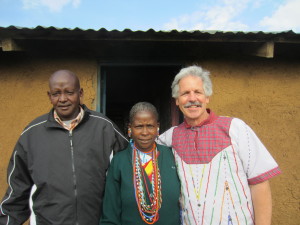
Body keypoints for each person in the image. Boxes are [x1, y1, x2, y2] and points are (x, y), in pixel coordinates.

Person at [0, 70, 128, 225]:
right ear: (49, 96)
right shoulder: (31, 135)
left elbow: (130, 174)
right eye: (56, 93)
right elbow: (17, 191)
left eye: (69, 92)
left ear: (80, 93)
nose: (63, 99)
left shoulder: (104, 128)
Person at [157, 65, 281, 225]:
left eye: (198, 92)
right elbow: (143, 149)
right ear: (177, 101)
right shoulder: (171, 136)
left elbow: (259, 183)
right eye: (185, 93)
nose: (192, 98)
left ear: (207, 97)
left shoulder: (235, 128)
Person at [100, 102, 181, 225]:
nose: (145, 132)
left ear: (157, 127)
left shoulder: (171, 156)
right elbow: (110, 213)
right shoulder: (119, 161)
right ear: (130, 128)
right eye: (139, 126)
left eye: (150, 126)